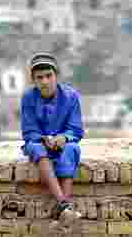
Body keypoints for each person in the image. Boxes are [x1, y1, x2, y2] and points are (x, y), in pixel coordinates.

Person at [20, 52, 84, 223]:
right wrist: (43, 138)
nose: (45, 81)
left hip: (63, 143)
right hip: (40, 143)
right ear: (34, 80)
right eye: (39, 77)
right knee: (37, 149)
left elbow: (76, 129)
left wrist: (64, 138)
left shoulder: (71, 97)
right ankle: (64, 204)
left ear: (57, 76)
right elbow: (28, 131)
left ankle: (64, 207)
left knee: (72, 149)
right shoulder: (28, 98)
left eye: (49, 76)